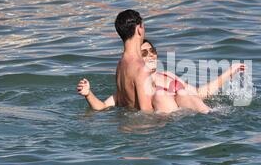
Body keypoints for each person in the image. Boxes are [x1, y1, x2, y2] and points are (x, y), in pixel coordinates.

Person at [77, 39, 245, 113]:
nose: (151, 55)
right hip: (170, 125)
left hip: (198, 115)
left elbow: (201, 93)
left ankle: (213, 115)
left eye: (153, 51)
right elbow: (101, 107)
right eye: (144, 52)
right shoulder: (131, 88)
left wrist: (230, 71)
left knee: (184, 93)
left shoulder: (167, 75)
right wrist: (88, 94)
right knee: (161, 95)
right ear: (137, 59)